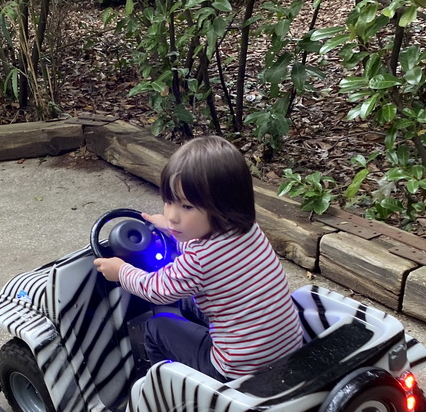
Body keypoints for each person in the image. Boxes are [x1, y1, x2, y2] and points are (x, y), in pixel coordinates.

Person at [93, 136, 303, 381]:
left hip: (237, 369)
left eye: (187, 207)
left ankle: (165, 390)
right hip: (285, 348)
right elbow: (209, 250)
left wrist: (120, 272)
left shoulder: (200, 260)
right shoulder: (247, 229)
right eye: (168, 201)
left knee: (157, 327)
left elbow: (156, 289)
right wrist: (172, 231)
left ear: (223, 207)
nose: (171, 216)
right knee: (189, 303)